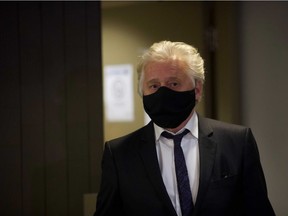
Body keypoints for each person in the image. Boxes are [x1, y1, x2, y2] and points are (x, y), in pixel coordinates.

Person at [94, 41, 275, 216]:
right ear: (142, 91)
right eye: (154, 86)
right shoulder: (119, 154)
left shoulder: (237, 142)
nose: (163, 93)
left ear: (197, 90)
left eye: (174, 83)